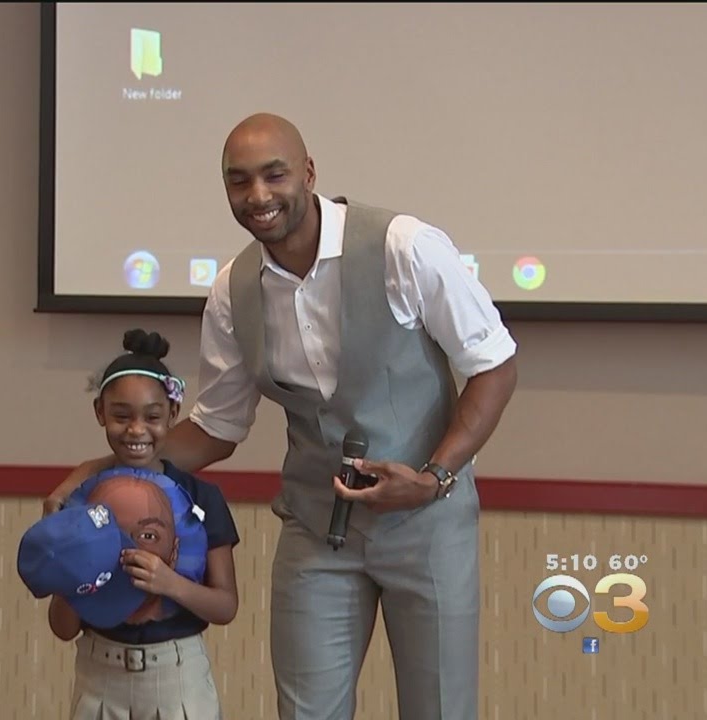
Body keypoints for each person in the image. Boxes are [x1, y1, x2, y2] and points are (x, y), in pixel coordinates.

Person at [46, 114, 518, 720]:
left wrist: (433, 478)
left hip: (427, 522)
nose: (258, 196)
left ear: (310, 173)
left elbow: (495, 366)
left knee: (441, 709)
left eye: (275, 175)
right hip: (318, 532)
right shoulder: (232, 290)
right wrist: (98, 470)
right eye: (239, 182)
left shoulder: (405, 246)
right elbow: (216, 429)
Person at [36, 328, 241, 719]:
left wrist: (170, 583)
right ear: (100, 412)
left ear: (174, 415)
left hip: (179, 676)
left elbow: (226, 605)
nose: (136, 430)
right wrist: (66, 569)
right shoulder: (80, 498)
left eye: (153, 416)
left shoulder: (202, 497)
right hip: (99, 675)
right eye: (120, 416)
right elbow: (62, 628)